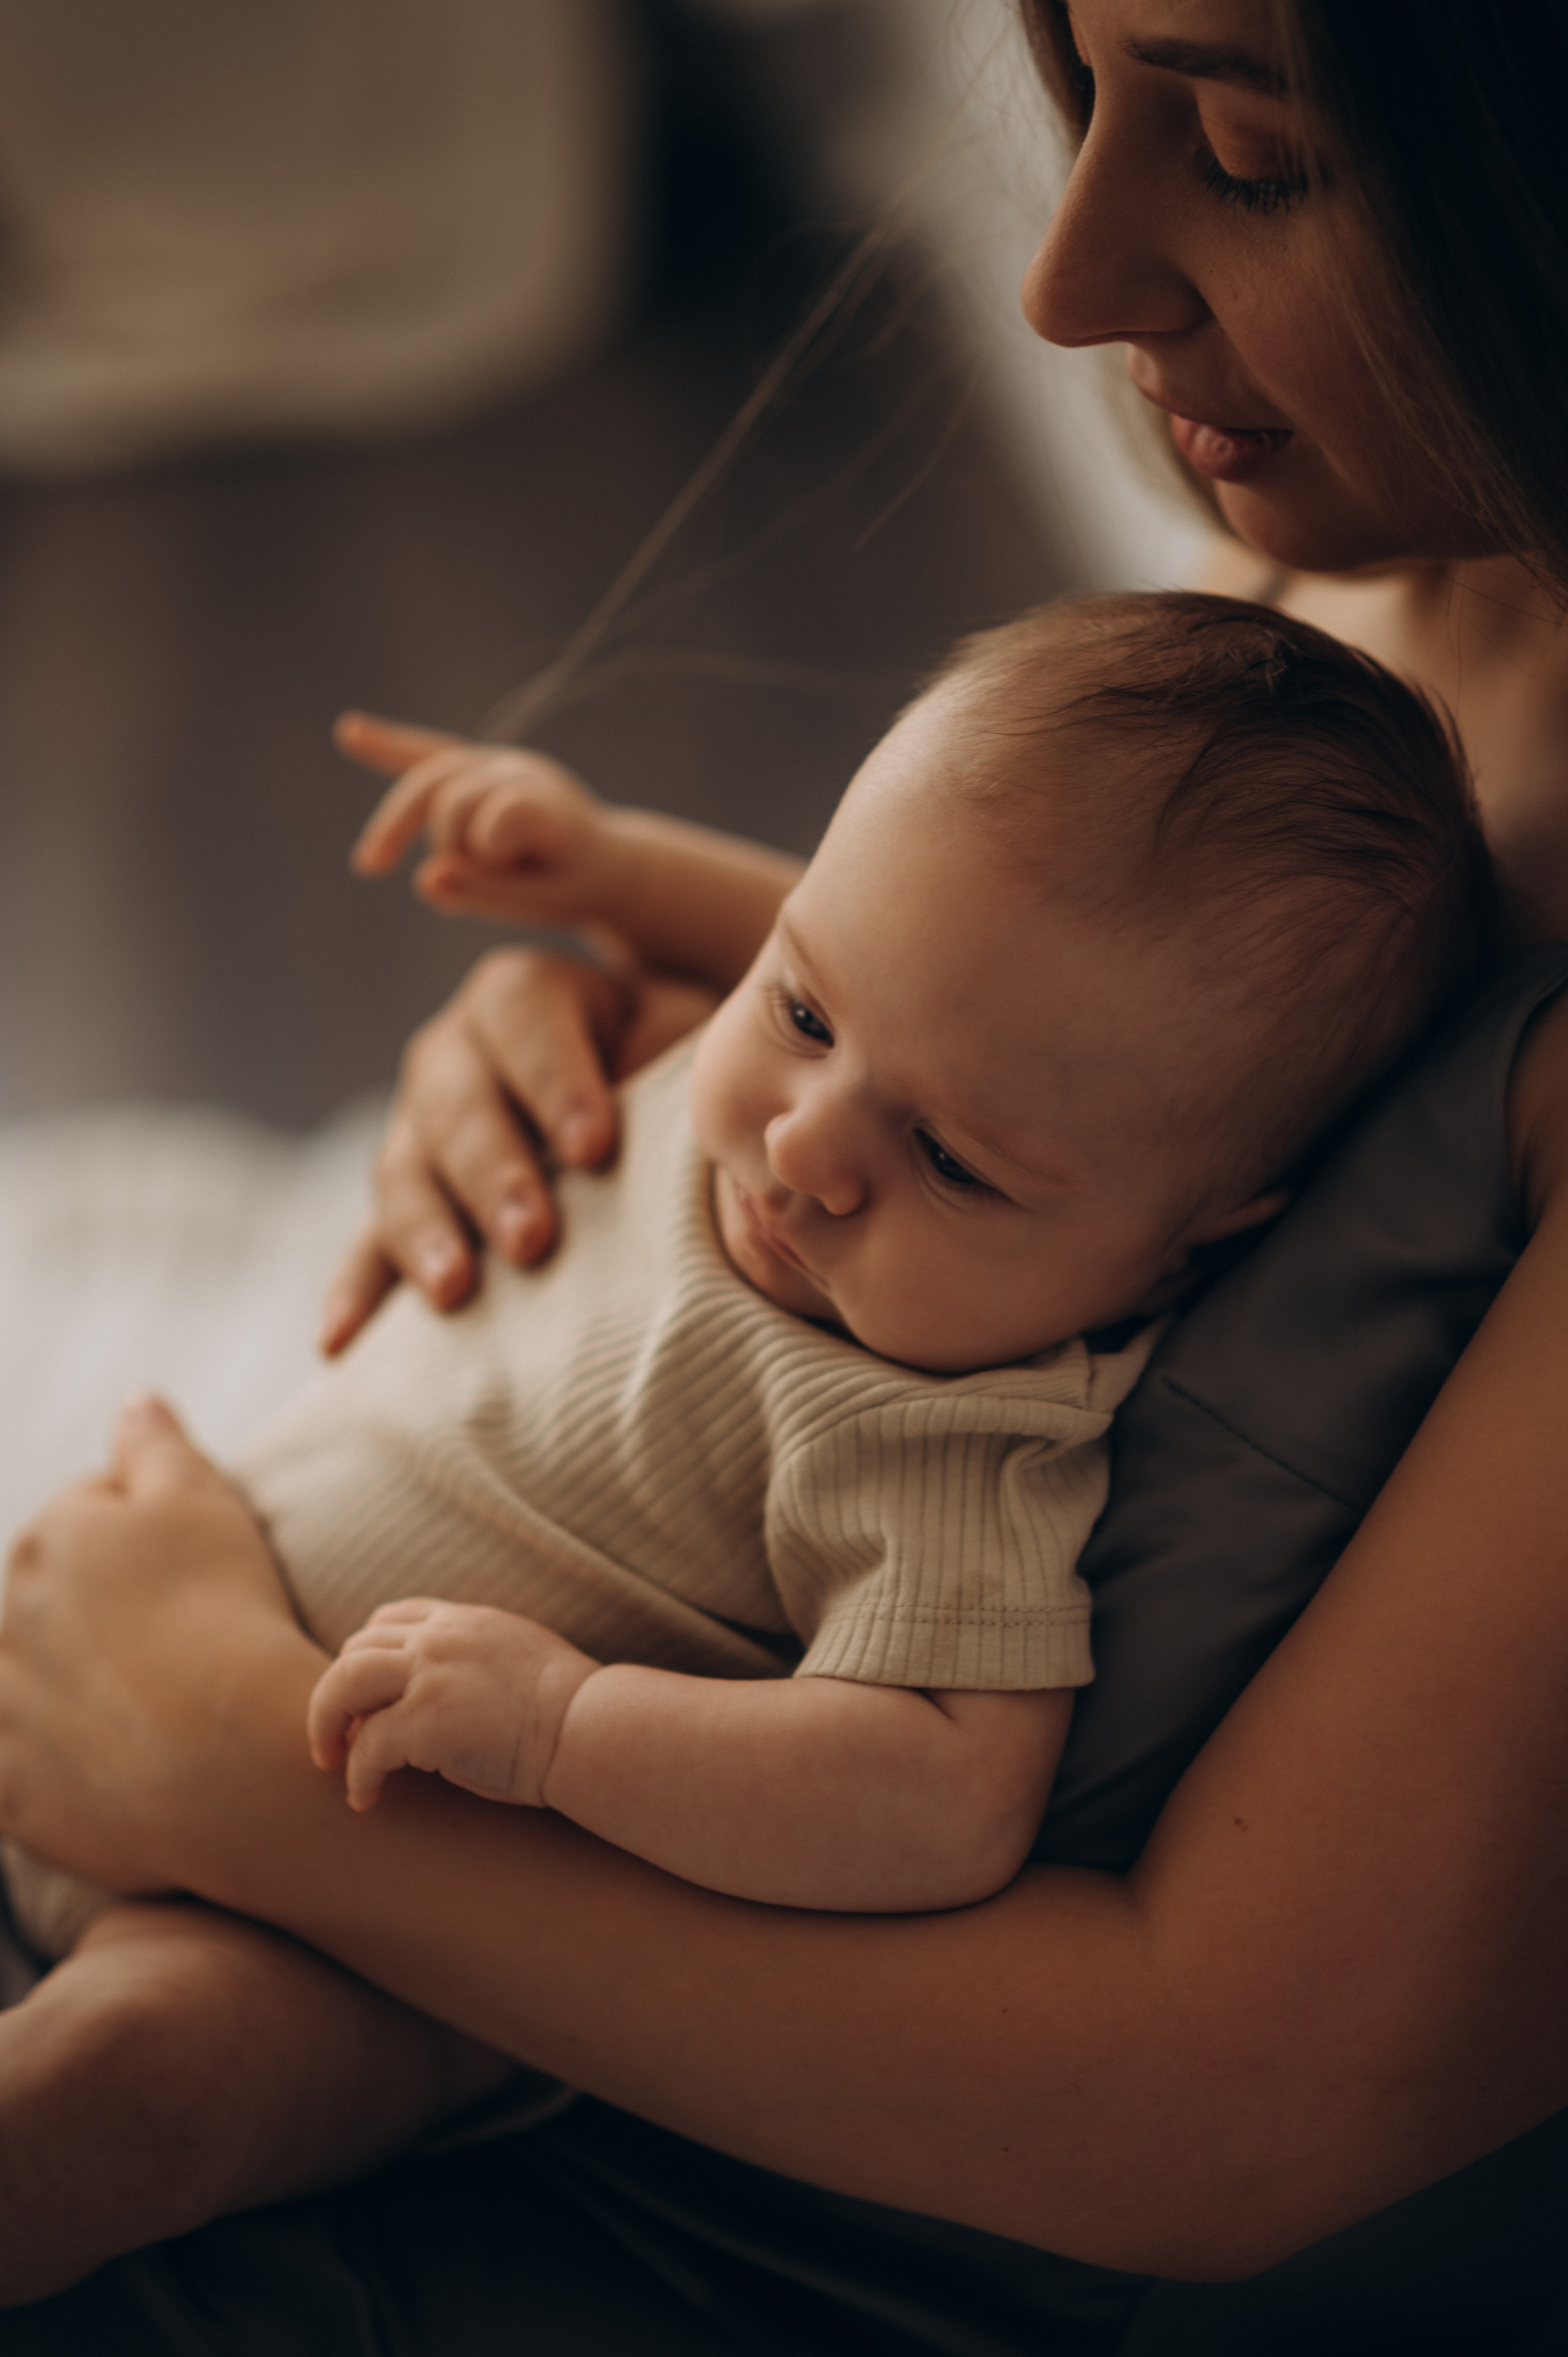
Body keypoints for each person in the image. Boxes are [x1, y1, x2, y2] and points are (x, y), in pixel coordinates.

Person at [4, 1, 1568, 2348]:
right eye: (1085, 79)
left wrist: (226, 1762)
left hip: (546, 2033)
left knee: (159, 2083)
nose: (1065, 280)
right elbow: (1007, 1050)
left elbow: (1228, 2098)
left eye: (1253, 161)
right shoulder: (1346, 631)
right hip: (268, 1619)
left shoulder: (978, 1460)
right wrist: (625, 1045)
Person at [1, 589, 1491, 2281]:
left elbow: (939, 1795)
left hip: (355, 1927)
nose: (805, 1151)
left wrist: (569, 1731)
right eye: (798, 1014)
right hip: (120, 1649)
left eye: (954, 1163)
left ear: (1200, 1237)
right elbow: (886, 962)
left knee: (151, 2087)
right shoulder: (873, 1069)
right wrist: (614, 870)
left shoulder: (951, 1434)